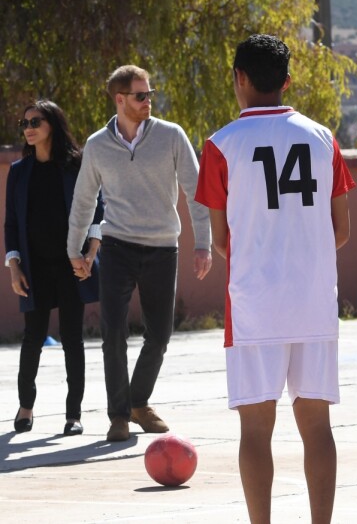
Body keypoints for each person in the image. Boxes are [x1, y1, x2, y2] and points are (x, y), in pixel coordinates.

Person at [195, 34, 355, 524]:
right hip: (313, 301)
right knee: (317, 428)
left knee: (255, 432)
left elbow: (222, 238)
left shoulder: (220, 145)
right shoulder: (323, 138)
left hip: (253, 305)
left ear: (238, 78)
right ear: (288, 81)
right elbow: (342, 231)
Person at [67, 65, 212, 442]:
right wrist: (74, 249)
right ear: (120, 99)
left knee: (160, 334)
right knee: (113, 332)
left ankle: (138, 401)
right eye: (141, 95)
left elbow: (196, 192)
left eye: (150, 94)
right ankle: (118, 415)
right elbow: (84, 201)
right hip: (116, 247)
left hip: (163, 247)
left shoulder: (171, 136)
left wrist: (202, 244)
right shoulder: (98, 144)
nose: (149, 100)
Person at [4, 99, 103, 436]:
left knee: (73, 338)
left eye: (36, 122)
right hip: (35, 266)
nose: (28, 128)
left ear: (53, 126)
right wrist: (14, 267)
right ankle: (25, 407)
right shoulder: (19, 172)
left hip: (71, 264)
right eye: (25, 123)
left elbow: (96, 213)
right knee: (32, 337)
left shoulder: (76, 166)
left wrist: (90, 255)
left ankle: (73, 414)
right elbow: (11, 224)